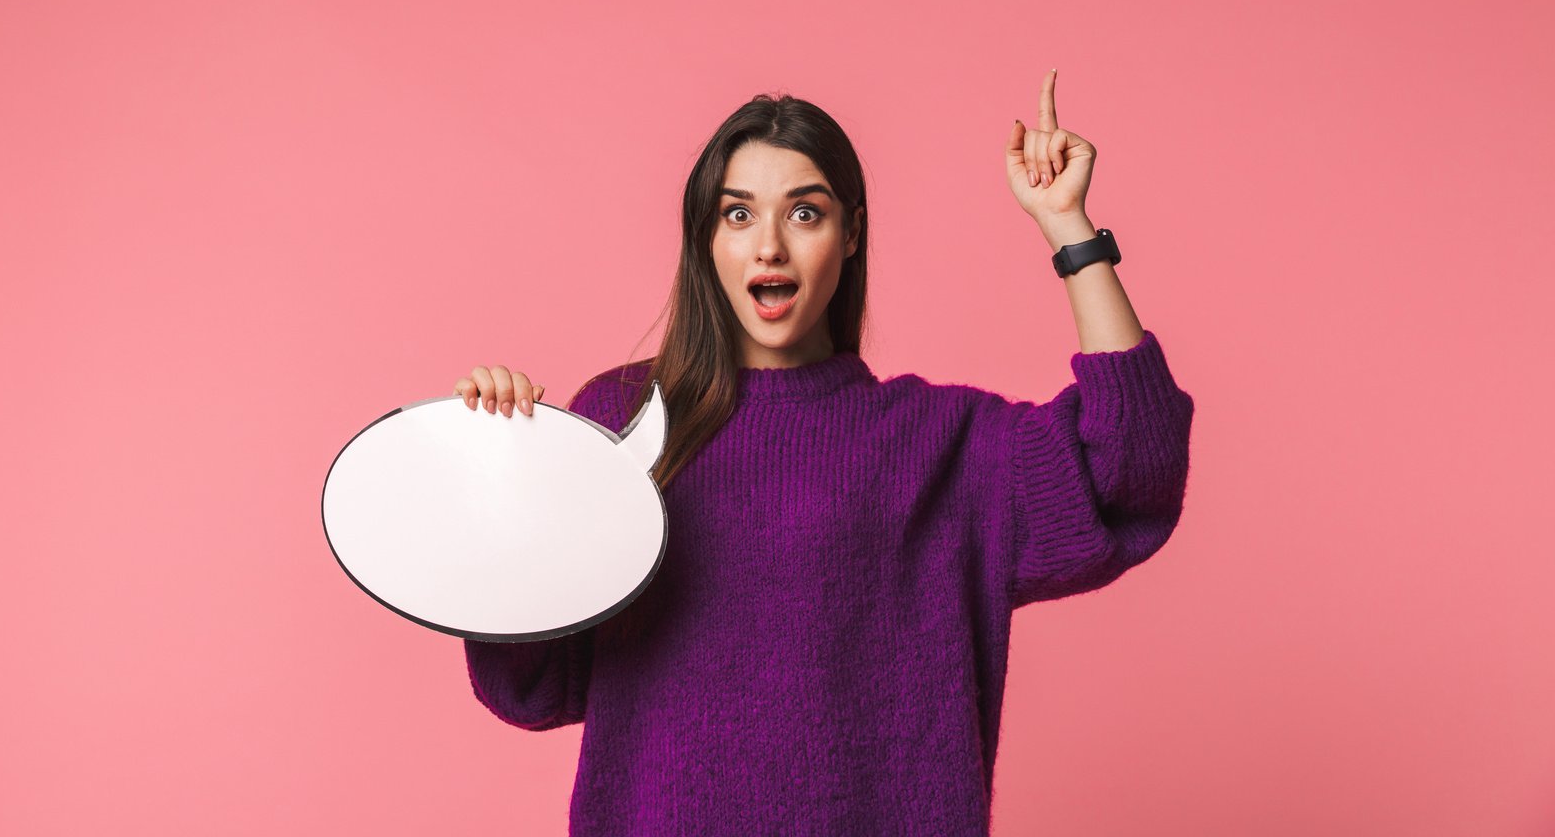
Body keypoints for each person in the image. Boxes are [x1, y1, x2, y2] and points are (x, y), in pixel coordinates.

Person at [454, 78, 1194, 836]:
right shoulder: (621, 424)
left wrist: (1071, 231)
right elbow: (535, 685)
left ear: (850, 232)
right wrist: (506, 478)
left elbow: (1133, 467)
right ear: (707, 237)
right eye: (737, 214)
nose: (769, 244)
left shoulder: (942, 444)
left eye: (803, 212)